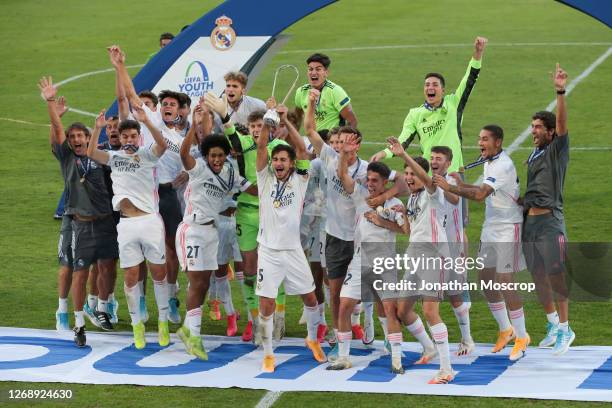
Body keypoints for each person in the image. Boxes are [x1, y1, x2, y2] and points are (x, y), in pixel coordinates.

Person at [433, 125, 530, 361]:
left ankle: (522, 336)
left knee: (506, 281)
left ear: (498, 142)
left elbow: (480, 195)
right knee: (486, 279)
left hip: (508, 227)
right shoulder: (490, 161)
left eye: (485, 139)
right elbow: (482, 189)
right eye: (479, 138)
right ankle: (505, 329)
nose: (480, 143)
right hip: (491, 227)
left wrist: (451, 187)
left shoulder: (503, 164)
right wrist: (462, 184)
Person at [109, 45, 185, 325]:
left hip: (167, 195)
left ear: (178, 111)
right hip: (145, 197)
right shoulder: (146, 123)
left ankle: (172, 297)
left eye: (169, 105)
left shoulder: (178, 137)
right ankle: (139, 301)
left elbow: (193, 162)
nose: (163, 108)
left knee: (170, 250)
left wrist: (187, 175)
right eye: (160, 104)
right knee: (139, 251)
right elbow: (128, 95)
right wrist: (120, 66)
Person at [40, 76, 119, 347]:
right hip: (81, 224)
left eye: (80, 136)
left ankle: (102, 307)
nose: (76, 139)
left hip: (106, 222)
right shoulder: (68, 159)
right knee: (79, 272)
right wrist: (51, 102)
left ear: (89, 138)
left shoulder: (101, 158)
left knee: (108, 267)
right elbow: (57, 130)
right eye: (73, 137)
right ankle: (78, 323)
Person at [205, 94, 290, 342]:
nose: (256, 130)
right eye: (253, 126)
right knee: (250, 270)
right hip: (246, 214)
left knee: (275, 267)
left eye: (260, 125)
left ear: (269, 127)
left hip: (271, 215)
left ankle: (279, 318)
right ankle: (257, 322)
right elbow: (231, 133)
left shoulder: (278, 150)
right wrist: (223, 115)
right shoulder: (241, 143)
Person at [175, 107, 256, 360]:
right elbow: (183, 152)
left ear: (227, 154)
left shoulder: (231, 172)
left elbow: (250, 189)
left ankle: (187, 330)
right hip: (193, 230)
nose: (217, 160)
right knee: (198, 282)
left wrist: (275, 188)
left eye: (221, 155)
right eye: (213, 155)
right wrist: (194, 127)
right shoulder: (198, 168)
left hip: (212, 232)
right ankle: (195, 337)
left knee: (203, 285)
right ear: (207, 155)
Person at [87, 106, 170, 349]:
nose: (129, 140)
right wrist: (97, 128)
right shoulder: (114, 158)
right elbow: (91, 152)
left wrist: (148, 122)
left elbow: (163, 145)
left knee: (158, 274)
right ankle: (137, 326)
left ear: (138, 137)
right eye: (125, 137)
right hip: (126, 224)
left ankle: (163, 323)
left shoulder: (147, 154)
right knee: (131, 277)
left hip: (150, 221)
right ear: (120, 139)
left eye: (133, 136)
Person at [328, 133, 408, 373]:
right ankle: (343, 357)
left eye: (375, 180)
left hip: (385, 262)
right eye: (369, 179)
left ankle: (396, 358)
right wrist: (343, 152)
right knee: (344, 304)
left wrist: (383, 210)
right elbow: (343, 176)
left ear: (384, 182)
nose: (370, 183)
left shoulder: (394, 204)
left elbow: (405, 229)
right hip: (360, 259)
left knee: (389, 309)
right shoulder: (360, 194)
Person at [254, 112, 326, 373]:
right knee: (266, 303)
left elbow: (304, 151)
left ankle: (312, 338)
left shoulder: (301, 178)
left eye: (283, 159)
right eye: (276, 160)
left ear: (292, 163)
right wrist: (267, 122)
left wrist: (286, 123)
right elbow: (261, 146)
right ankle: (269, 352)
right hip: (269, 251)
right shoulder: (264, 178)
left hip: (294, 250)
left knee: (310, 298)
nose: (278, 163)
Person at [388, 137, 455, 384]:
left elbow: (425, 179)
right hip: (415, 258)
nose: (408, 177)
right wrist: (403, 216)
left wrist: (404, 155)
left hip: (434, 258)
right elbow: (410, 231)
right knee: (402, 310)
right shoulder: (414, 198)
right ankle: (429, 347)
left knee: (430, 312)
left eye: (412, 173)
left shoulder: (432, 191)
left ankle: (446, 369)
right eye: (405, 174)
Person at [522, 64, 573, 355]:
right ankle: (553, 323)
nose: (534, 131)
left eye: (539, 127)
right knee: (538, 276)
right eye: (533, 127)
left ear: (551, 132)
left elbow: (564, 125)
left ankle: (566, 327)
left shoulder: (557, 149)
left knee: (555, 274)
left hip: (550, 222)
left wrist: (560, 91)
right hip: (530, 223)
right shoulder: (534, 152)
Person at [428, 146, 475, 356]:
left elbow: (455, 200)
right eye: (432, 158)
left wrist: (443, 185)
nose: (434, 161)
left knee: (454, 296)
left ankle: (467, 339)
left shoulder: (454, 182)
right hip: (433, 248)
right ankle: (432, 342)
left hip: (454, 247)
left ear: (448, 163)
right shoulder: (428, 180)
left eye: (438, 158)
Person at [294, 53, 357, 137]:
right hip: (312, 142)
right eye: (310, 69)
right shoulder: (301, 91)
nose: (313, 73)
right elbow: (297, 117)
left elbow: (352, 121)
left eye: (318, 69)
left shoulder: (335, 91)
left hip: (331, 142)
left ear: (326, 73)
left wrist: (343, 142)